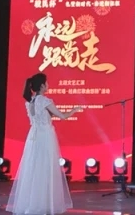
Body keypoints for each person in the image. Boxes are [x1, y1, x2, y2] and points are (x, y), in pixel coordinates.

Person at [6, 73, 80, 215]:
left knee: (34, 169)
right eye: (46, 83)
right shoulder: (45, 101)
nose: (48, 85)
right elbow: (62, 116)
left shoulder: (30, 101)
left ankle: (33, 204)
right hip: (45, 136)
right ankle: (43, 204)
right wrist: (75, 110)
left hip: (34, 137)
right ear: (42, 85)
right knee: (45, 169)